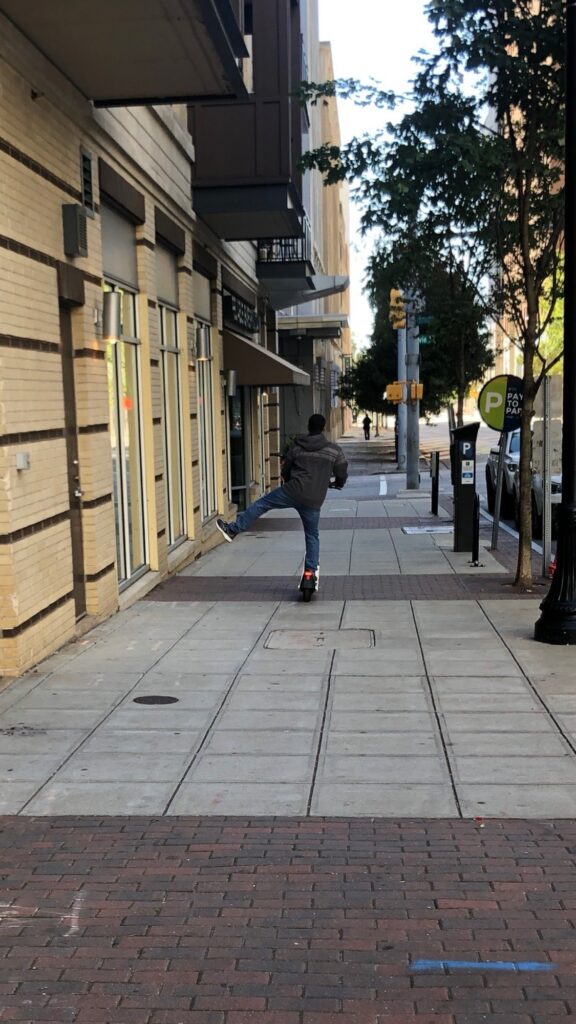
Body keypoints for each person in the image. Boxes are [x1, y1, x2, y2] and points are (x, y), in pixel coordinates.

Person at [216, 414, 348, 580]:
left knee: (262, 504)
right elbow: (342, 471)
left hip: (292, 491)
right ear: (323, 427)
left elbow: (285, 470)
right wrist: (338, 483)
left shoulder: (297, 448)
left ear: (308, 427)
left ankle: (233, 529)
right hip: (314, 499)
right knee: (312, 535)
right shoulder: (334, 450)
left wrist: (288, 480)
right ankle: (310, 572)